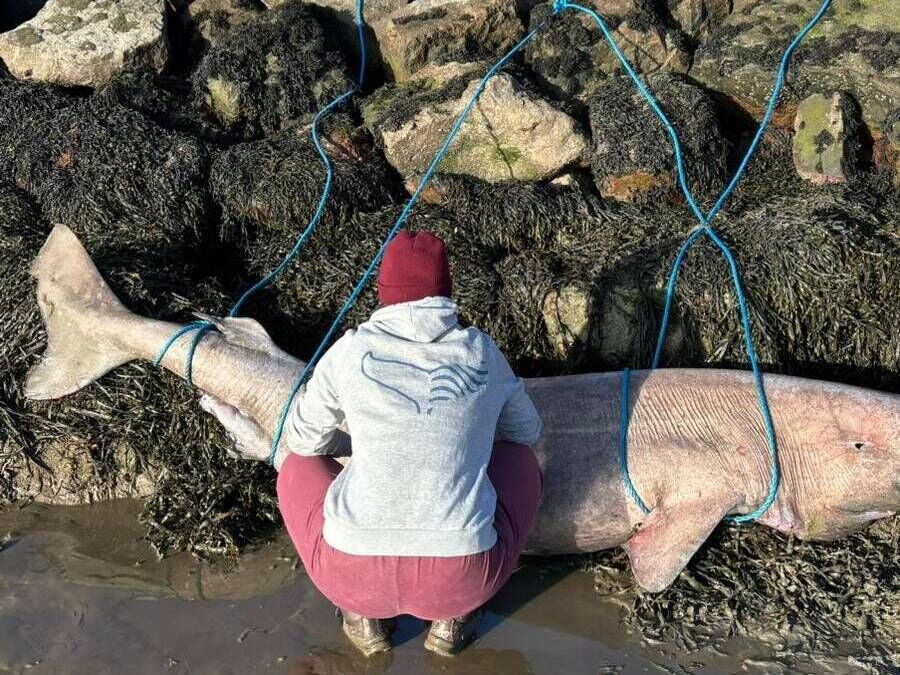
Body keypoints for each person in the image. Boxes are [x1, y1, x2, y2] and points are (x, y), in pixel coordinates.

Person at [277, 229, 544, 657]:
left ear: (385, 293)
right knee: (523, 462)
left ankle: (363, 620)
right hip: (460, 580)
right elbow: (526, 433)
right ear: (445, 294)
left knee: (295, 468)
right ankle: (453, 624)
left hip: (352, 573)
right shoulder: (481, 351)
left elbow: (303, 440)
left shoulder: (349, 350)